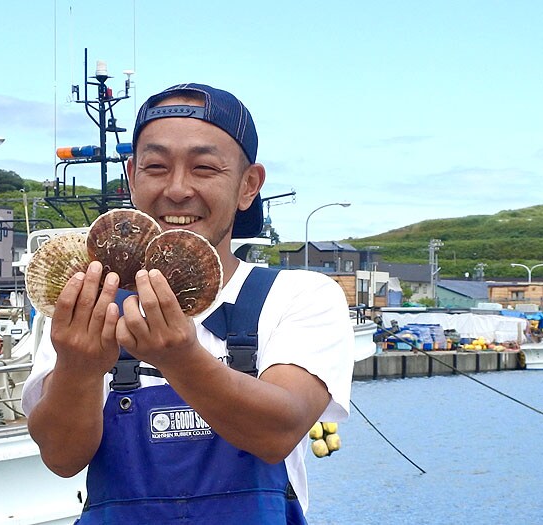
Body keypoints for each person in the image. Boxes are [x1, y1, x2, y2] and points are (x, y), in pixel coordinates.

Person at [22, 83, 355, 524]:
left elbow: (278, 431)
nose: (177, 189)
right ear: (132, 177)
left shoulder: (299, 296)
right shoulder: (88, 301)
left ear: (248, 185)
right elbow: (62, 458)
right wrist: (78, 368)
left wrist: (179, 357)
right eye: (156, 167)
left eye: (204, 168)